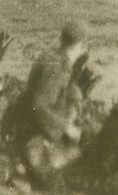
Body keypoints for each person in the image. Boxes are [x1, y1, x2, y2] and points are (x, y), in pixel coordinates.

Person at [6, 21, 91, 179]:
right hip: (33, 135)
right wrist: (67, 127)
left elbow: (63, 91)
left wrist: (72, 107)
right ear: (80, 44)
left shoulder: (53, 55)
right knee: (76, 166)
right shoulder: (58, 68)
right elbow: (39, 106)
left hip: (31, 127)